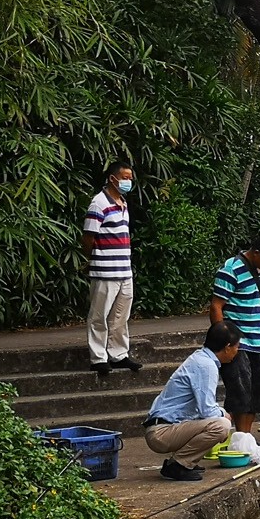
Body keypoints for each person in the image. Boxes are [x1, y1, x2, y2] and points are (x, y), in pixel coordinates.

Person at [210, 235, 260, 438]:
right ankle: (241, 438)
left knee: (258, 394)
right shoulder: (231, 270)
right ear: (255, 253)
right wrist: (224, 339)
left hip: (258, 341)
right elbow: (217, 306)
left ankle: (246, 438)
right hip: (237, 342)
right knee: (240, 393)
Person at [142, 322, 241, 481]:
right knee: (221, 425)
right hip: (161, 432)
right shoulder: (206, 366)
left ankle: (187, 462)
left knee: (217, 421)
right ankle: (179, 465)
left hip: (164, 427)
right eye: (237, 347)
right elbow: (207, 410)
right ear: (227, 347)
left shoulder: (201, 358)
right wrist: (225, 414)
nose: (237, 352)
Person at [83, 160, 139, 376]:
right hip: (105, 270)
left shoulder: (122, 202)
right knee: (99, 315)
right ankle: (98, 358)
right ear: (112, 178)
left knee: (120, 316)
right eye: (125, 178)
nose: (128, 182)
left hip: (124, 270)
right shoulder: (99, 203)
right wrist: (91, 260)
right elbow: (88, 237)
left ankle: (118, 354)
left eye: (130, 178)